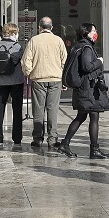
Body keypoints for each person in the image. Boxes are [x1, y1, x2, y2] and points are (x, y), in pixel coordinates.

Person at [58, 23, 109, 159]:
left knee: (81, 116)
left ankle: (65, 144)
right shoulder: (87, 47)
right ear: (86, 33)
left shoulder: (79, 46)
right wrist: (99, 61)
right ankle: (94, 149)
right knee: (94, 116)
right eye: (93, 31)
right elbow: (87, 67)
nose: (96, 33)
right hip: (88, 89)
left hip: (83, 88)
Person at [19, 16, 68, 150]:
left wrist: (29, 73)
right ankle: (52, 139)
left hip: (39, 79)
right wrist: (62, 77)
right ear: (51, 28)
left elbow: (26, 61)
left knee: (38, 110)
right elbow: (65, 61)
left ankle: (37, 138)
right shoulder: (58, 40)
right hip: (55, 79)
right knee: (52, 110)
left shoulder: (34, 40)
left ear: (39, 27)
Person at [0, 23, 26, 145]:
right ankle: (17, 137)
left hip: (0, 81)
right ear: (14, 33)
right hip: (16, 80)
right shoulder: (17, 46)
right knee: (17, 109)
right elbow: (17, 61)